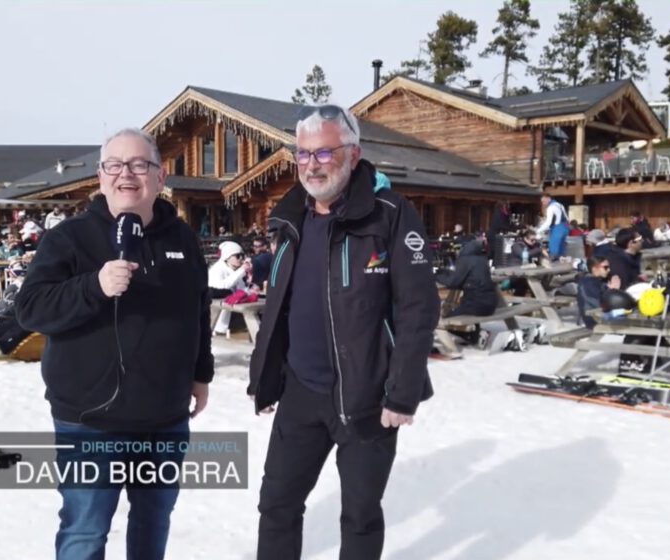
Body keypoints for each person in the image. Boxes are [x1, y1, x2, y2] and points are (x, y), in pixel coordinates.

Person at [247, 104, 439, 560]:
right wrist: (266, 375)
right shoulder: (289, 217)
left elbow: (418, 306)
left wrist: (403, 391)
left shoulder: (389, 213)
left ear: (354, 155)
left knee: (360, 515)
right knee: (276, 505)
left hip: (368, 395)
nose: (312, 165)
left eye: (324, 153)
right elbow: (281, 304)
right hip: (301, 392)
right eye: (303, 155)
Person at [15, 128, 213, 559]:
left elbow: (197, 309)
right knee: (85, 532)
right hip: (90, 422)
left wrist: (201, 374)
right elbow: (30, 309)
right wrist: (94, 286)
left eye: (140, 164)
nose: (127, 175)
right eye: (115, 165)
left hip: (163, 419)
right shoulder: (69, 238)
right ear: (100, 177)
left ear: (160, 178)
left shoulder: (182, 239)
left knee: (152, 524)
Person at [435, 238, 497, 343]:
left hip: (476, 305)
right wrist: (444, 272)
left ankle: (470, 336)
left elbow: (453, 283)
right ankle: (473, 335)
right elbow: (464, 277)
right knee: (466, 305)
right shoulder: (482, 259)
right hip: (491, 305)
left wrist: (436, 276)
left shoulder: (465, 260)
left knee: (446, 319)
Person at [208, 240, 252, 334]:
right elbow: (221, 287)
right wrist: (241, 271)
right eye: (237, 256)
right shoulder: (216, 270)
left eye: (242, 256)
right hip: (219, 318)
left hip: (235, 313)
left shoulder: (235, 269)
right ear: (227, 257)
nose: (241, 259)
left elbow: (241, 291)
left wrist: (250, 283)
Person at [577, 256, 621, 328]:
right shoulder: (588, 283)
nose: (609, 270)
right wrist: (613, 291)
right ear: (595, 269)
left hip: (599, 316)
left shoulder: (596, 281)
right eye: (605, 267)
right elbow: (599, 303)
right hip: (594, 320)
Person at [537, 193, 570, 260]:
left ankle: (553, 266)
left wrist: (538, 230)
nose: (543, 203)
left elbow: (548, 222)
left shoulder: (551, 207)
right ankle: (562, 264)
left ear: (549, 199)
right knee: (561, 248)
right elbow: (567, 217)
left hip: (557, 228)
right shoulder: (560, 205)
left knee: (553, 249)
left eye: (543, 201)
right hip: (565, 227)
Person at [487, 200, 511, 265]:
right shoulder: (498, 213)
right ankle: (492, 264)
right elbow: (499, 224)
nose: (509, 206)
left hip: (497, 234)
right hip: (494, 234)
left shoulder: (504, 213)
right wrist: (509, 228)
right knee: (494, 250)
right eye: (507, 204)